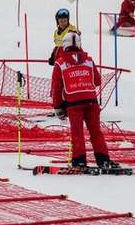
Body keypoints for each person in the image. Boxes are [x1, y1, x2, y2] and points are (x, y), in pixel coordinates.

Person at [50, 32, 117, 169]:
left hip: (73, 104)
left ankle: (79, 161)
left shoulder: (60, 64)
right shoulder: (88, 61)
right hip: (91, 101)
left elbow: (56, 88)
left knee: (77, 133)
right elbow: (97, 81)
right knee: (96, 132)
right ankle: (103, 159)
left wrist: (57, 107)